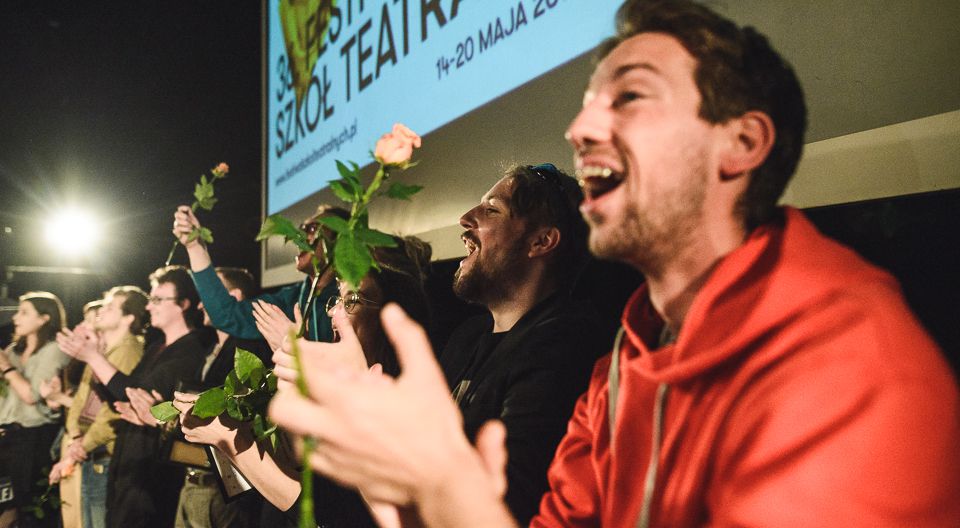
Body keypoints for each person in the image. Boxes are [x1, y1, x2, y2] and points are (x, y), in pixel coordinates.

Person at [268, 1, 960, 527]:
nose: (580, 130)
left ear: (741, 145)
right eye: (591, 103)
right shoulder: (627, 356)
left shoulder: (847, 362)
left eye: (631, 98)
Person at [174, 236, 433, 528]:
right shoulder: (335, 385)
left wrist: (230, 442)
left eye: (352, 301)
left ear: (394, 319)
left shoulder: (404, 405)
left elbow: (329, 512)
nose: (333, 311)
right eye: (337, 299)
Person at [60, 266, 211, 528]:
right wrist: (95, 356)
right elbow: (123, 398)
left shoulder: (190, 350)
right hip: (128, 464)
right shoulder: (156, 347)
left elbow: (136, 394)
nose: (149, 307)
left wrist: (93, 357)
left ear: (184, 304)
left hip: (151, 478)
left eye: (158, 300)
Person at [173, 266, 268, 528]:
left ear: (233, 297)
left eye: (209, 294)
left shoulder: (248, 351)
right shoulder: (211, 350)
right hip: (195, 478)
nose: (201, 304)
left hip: (225, 488)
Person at [172, 204, 347, 343]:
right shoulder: (290, 300)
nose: (298, 237)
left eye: (312, 229)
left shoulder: (354, 298)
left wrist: (297, 348)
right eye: (302, 228)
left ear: (341, 240)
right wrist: (194, 246)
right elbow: (227, 314)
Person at [50, 287, 147, 528]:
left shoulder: (128, 350)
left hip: (104, 452)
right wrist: (75, 436)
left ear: (129, 318)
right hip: (88, 449)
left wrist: (81, 445)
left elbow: (114, 408)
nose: (102, 310)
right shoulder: (101, 349)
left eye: (110, 306)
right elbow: (83, 395)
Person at [0, 292, 70, 528]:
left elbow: (31, 396)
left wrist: (7, 369)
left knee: (32, 507)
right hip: (9, 436)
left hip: (35, 437)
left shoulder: (53, 350)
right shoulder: (13, 350)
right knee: (13, 506)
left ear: (44, 319)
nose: (16, 318)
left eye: (24, 313)